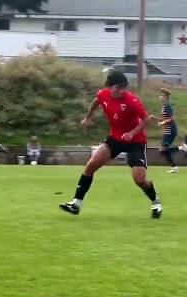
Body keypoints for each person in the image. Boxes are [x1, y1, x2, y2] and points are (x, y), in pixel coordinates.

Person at [59, 70, 163, 218]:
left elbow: (146, 120)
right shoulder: (103, 94)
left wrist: (132, 133)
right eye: (117, 88)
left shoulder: (132, 101)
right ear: (110, 87)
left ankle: (156, 202)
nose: (121, 91)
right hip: (114, 139)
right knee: (91, 165)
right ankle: (76, 203)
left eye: (123, 88)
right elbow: (96, 101)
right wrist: (88, 117)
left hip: (135, 141)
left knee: (139, 180)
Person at [155, 88, 179, 173]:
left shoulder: (168, 106)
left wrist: (162, 123)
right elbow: (165, 118)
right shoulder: (164, 106)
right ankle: (174, 167)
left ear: (166, 97)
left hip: (171, 130)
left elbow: (172, 118)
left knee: (163, 150)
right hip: (167, 131)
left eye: (162, 95)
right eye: (160, 95)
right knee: (163, 150)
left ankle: (181, 148)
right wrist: (155, 118)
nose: (160, 97)